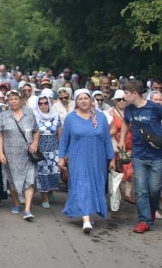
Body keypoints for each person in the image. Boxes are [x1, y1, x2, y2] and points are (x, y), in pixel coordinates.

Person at [59, 89, 115, 233]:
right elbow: (64, 139)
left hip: (98, 158)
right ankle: (85, 219)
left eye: (86, 98)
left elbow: (107, 140)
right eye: (80, 99)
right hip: (78, 158)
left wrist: (112, 158)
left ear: (91, 100)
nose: (83, 101)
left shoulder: (101, 117)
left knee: (95, 185)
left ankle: (89, 211)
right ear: (76, 102)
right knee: (82, 184)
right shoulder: (71, 118)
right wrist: (61, 158)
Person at [120, 79, 162, 233]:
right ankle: (144, 220)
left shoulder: (155, 108)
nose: (124, 96)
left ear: (135, 93)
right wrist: (122, 139)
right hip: (138, 155)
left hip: (157, 155)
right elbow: (125, 123)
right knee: (141, 190)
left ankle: (152, 209)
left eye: (126, 93)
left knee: (154, 189)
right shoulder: (129, 109)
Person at [0, 89, 39, 221]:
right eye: (11, 99)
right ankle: (15, 202)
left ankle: (27, 209)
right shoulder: (3, 115)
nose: (14, 101)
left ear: (20, 100)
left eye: (16, 99)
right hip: (10, 154)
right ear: (7, 101)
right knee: (12, 179)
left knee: (29, 179)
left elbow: (36, 131)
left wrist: (35, 143)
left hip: (28, 153)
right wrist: (0, 152)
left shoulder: (29, 113)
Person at [34, 89, 62, 208]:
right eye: (41, 103)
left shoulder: (56, 117)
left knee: (53, 172)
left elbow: (60, 134)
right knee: (42, 173)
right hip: (40, 149)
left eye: (46, 103)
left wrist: (62, 150)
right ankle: (44, 197)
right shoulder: (34, 117)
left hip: (54, 148)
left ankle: (50, 191)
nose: (43, 105)